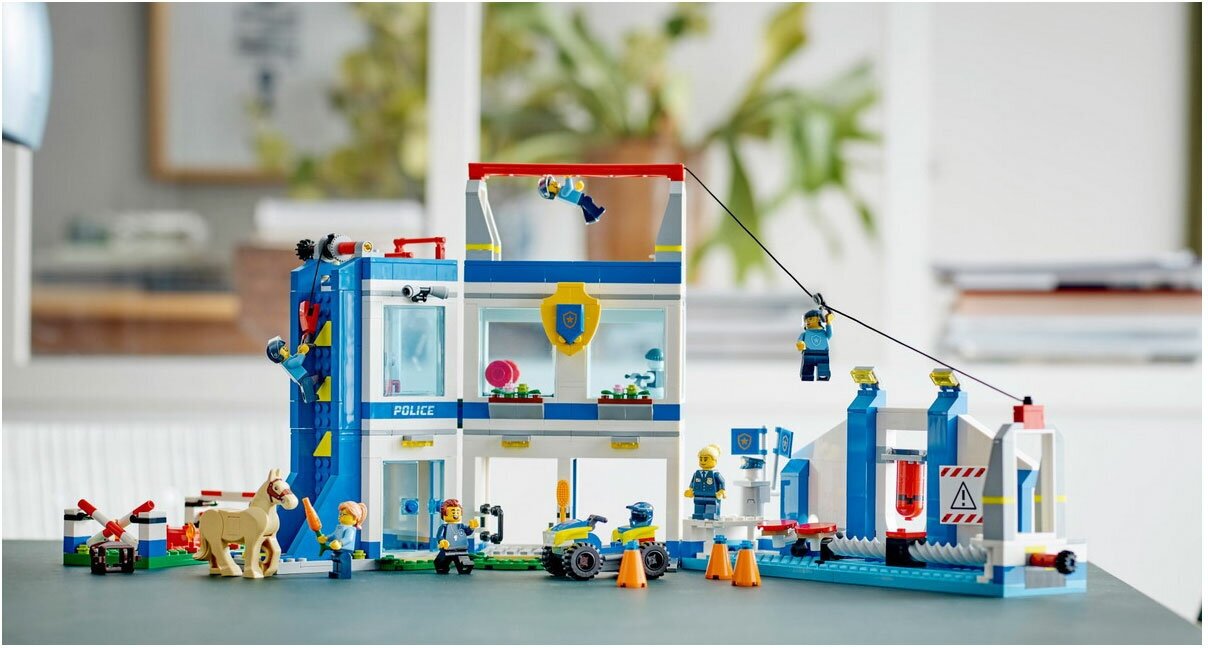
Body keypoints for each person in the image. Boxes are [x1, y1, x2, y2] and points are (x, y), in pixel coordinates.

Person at [316, 501, 367, 579]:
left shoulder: (350, 529)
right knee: (336, 560)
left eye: (344, 514)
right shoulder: (339, 527)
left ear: (354, 518)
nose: (340, 516)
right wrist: (326, 538)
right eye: (340, 514)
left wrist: (340, 543)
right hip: (337, 549)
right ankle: (336, 572)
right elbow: (334, 535)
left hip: (345, 550)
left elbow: (348, 539)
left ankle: (343, 574)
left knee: (343, 561)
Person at [434, 498, 479, 575]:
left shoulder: (461, 526)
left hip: (461, 550)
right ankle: (442, 568)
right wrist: (442, 541)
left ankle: (464, 569)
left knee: (466, 564)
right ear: (444, 514)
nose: (455, 514)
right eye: (452, 512)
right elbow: (439, 535)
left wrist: (471, 528)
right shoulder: (444, 527)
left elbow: (467, 532)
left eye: (458, 512)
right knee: (440, 563)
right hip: (447, 550)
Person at [538, 174, 606, 224]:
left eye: (552, 182)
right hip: (579, 199)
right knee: (588, 203)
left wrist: (578, 189)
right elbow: (569, 188)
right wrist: (568, 178)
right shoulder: (562, 193)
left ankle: (593, 216)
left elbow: (571, 193)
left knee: (588, 201)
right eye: (551, 184)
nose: (554, 182)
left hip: (579, 198)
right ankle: (596, 213)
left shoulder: (561, 193)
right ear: (551, 191)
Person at [685, 445, 727, 520]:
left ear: (715, 461)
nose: (702, 462)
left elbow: (722, 482)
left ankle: (711, 515)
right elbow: (692, 483)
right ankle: (699, 515)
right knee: (698, 511)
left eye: (705, 459)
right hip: (698, 496)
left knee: (711, 512)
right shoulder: (696, 474)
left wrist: (722, 490)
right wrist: (690, 490)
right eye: (701, 459)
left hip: (712, 497)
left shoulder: (715, 474)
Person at [796, 309, 834, 381]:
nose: (808, 321)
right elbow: (799, 341)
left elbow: (829, 334)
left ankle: (823, 376)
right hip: (808, 354)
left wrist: (829, 322)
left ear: (819, 319)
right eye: (806, 320)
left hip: (823, 354)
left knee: (823, 370)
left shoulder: (823, 333)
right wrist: (800, 344)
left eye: (810, 319)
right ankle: (807, 377)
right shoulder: (805, 334)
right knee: (807, 370)